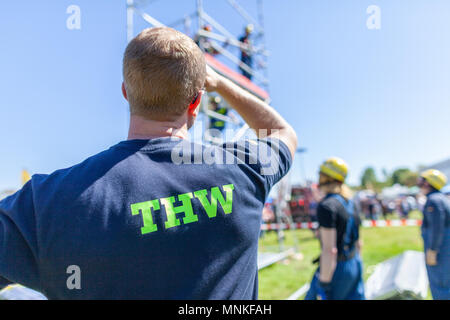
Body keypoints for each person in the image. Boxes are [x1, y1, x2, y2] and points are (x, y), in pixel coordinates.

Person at [0, 27, 297, 299]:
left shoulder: (47, 201)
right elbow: (283, 133)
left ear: (126, 93)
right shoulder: (242, 170)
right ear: (195, 102)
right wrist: (221, 85)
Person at [305, 157, 365, 300]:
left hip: (337, 269)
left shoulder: (327, 205)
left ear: (326, 177)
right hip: (354, 262)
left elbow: (329, 250)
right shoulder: (351, 202)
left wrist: (324, 283)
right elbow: (358, 242)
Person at [417, 169, 450, 300]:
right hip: (445, 248)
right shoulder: (441, 198)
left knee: (440, 285)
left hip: (441, 250)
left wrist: (432, 250)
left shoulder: (433, 200)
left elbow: (437, 227)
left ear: (428, 183)